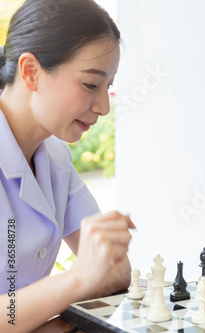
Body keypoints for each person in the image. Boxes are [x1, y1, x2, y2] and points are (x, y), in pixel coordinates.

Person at [0, 0, 134, 331]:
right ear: (30, 71)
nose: (103, 106)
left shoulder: (56, 157)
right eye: (90, 84)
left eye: (108, 86)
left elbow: (115, 272)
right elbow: (89, 275)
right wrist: (76, 281)